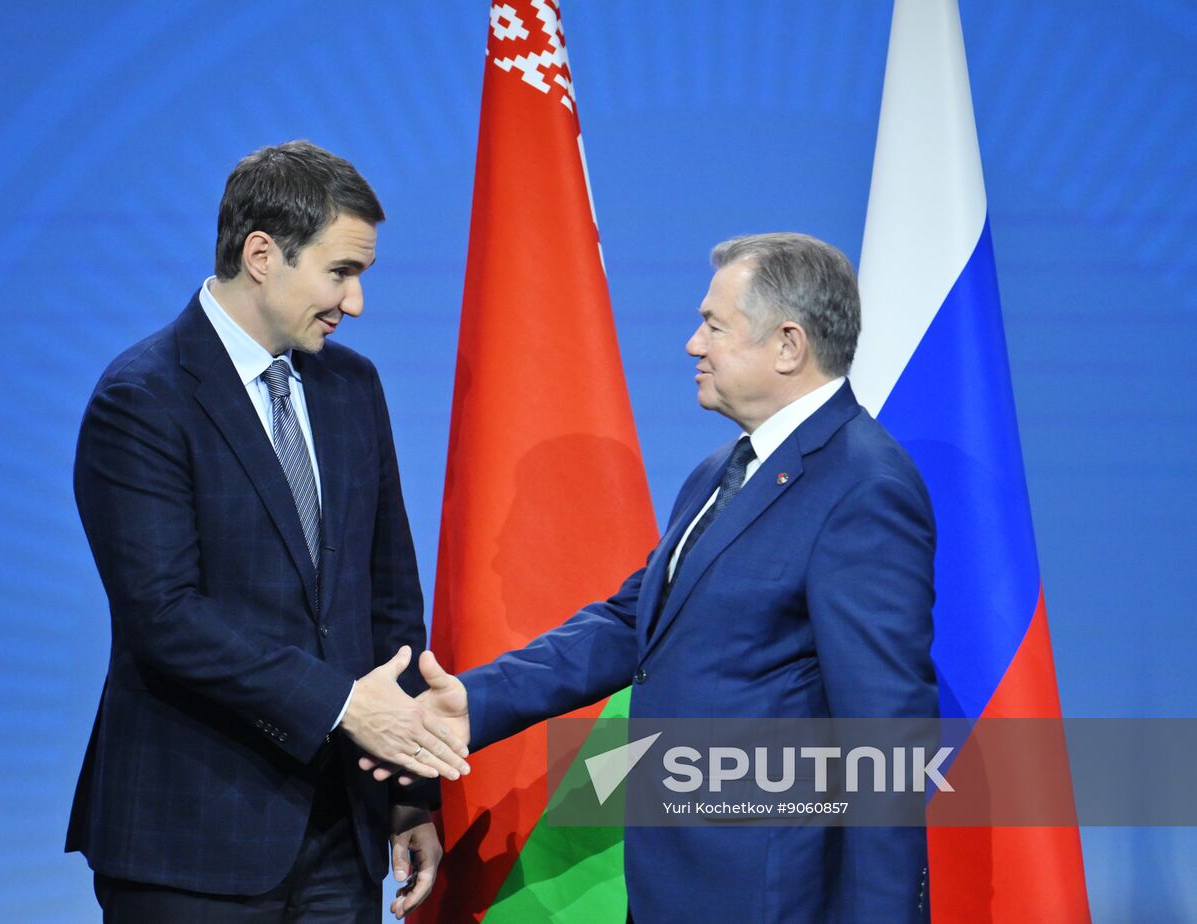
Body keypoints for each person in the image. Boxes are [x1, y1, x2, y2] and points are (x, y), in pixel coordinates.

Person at [381, 233, 937, 921]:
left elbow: (885, 733)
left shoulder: (864, 485)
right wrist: (474, 702)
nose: (693, 345)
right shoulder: (721, 471)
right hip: (669, 885)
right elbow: (631, 623)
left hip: (770, 895)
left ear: (788, 345)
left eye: (714, 326)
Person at [67, 140, 468, 923]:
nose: (355, 303)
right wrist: (342, 705)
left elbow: (390, 600)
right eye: (340, 272)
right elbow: (164, 617)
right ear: (261, 255)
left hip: (340, 835)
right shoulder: (142, 398)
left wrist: (409, 790)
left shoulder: (353, 387)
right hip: (190, 838)